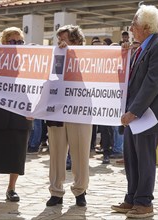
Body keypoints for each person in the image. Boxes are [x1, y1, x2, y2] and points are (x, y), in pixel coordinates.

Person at [110, 5, 158, 218]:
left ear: (146, 26)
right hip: (136, 115)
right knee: (131, 158)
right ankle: (132, 198)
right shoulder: (142, 47)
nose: (131, 27)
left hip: (148, 116)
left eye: (134, 24)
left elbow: (152, 84)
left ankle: (144, 202)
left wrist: (134, 111)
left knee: (145, 159)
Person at [0, 27, 33, 203]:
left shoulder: (30, 59)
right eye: (12, 41)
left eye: (19, 41)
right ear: (4, 42)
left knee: (16, 151)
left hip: (21, 108)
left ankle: (11, 189)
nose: (16, 45)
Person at [45, 24, 92, 207]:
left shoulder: (91, 58)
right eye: (59, 40)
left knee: (80, 152)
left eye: (64, 39)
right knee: (56, 152)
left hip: (80, 111)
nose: (60, 43)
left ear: (77, 41)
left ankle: (80, 191)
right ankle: (56, 191)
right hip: (57, 110)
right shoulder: (55, 57)